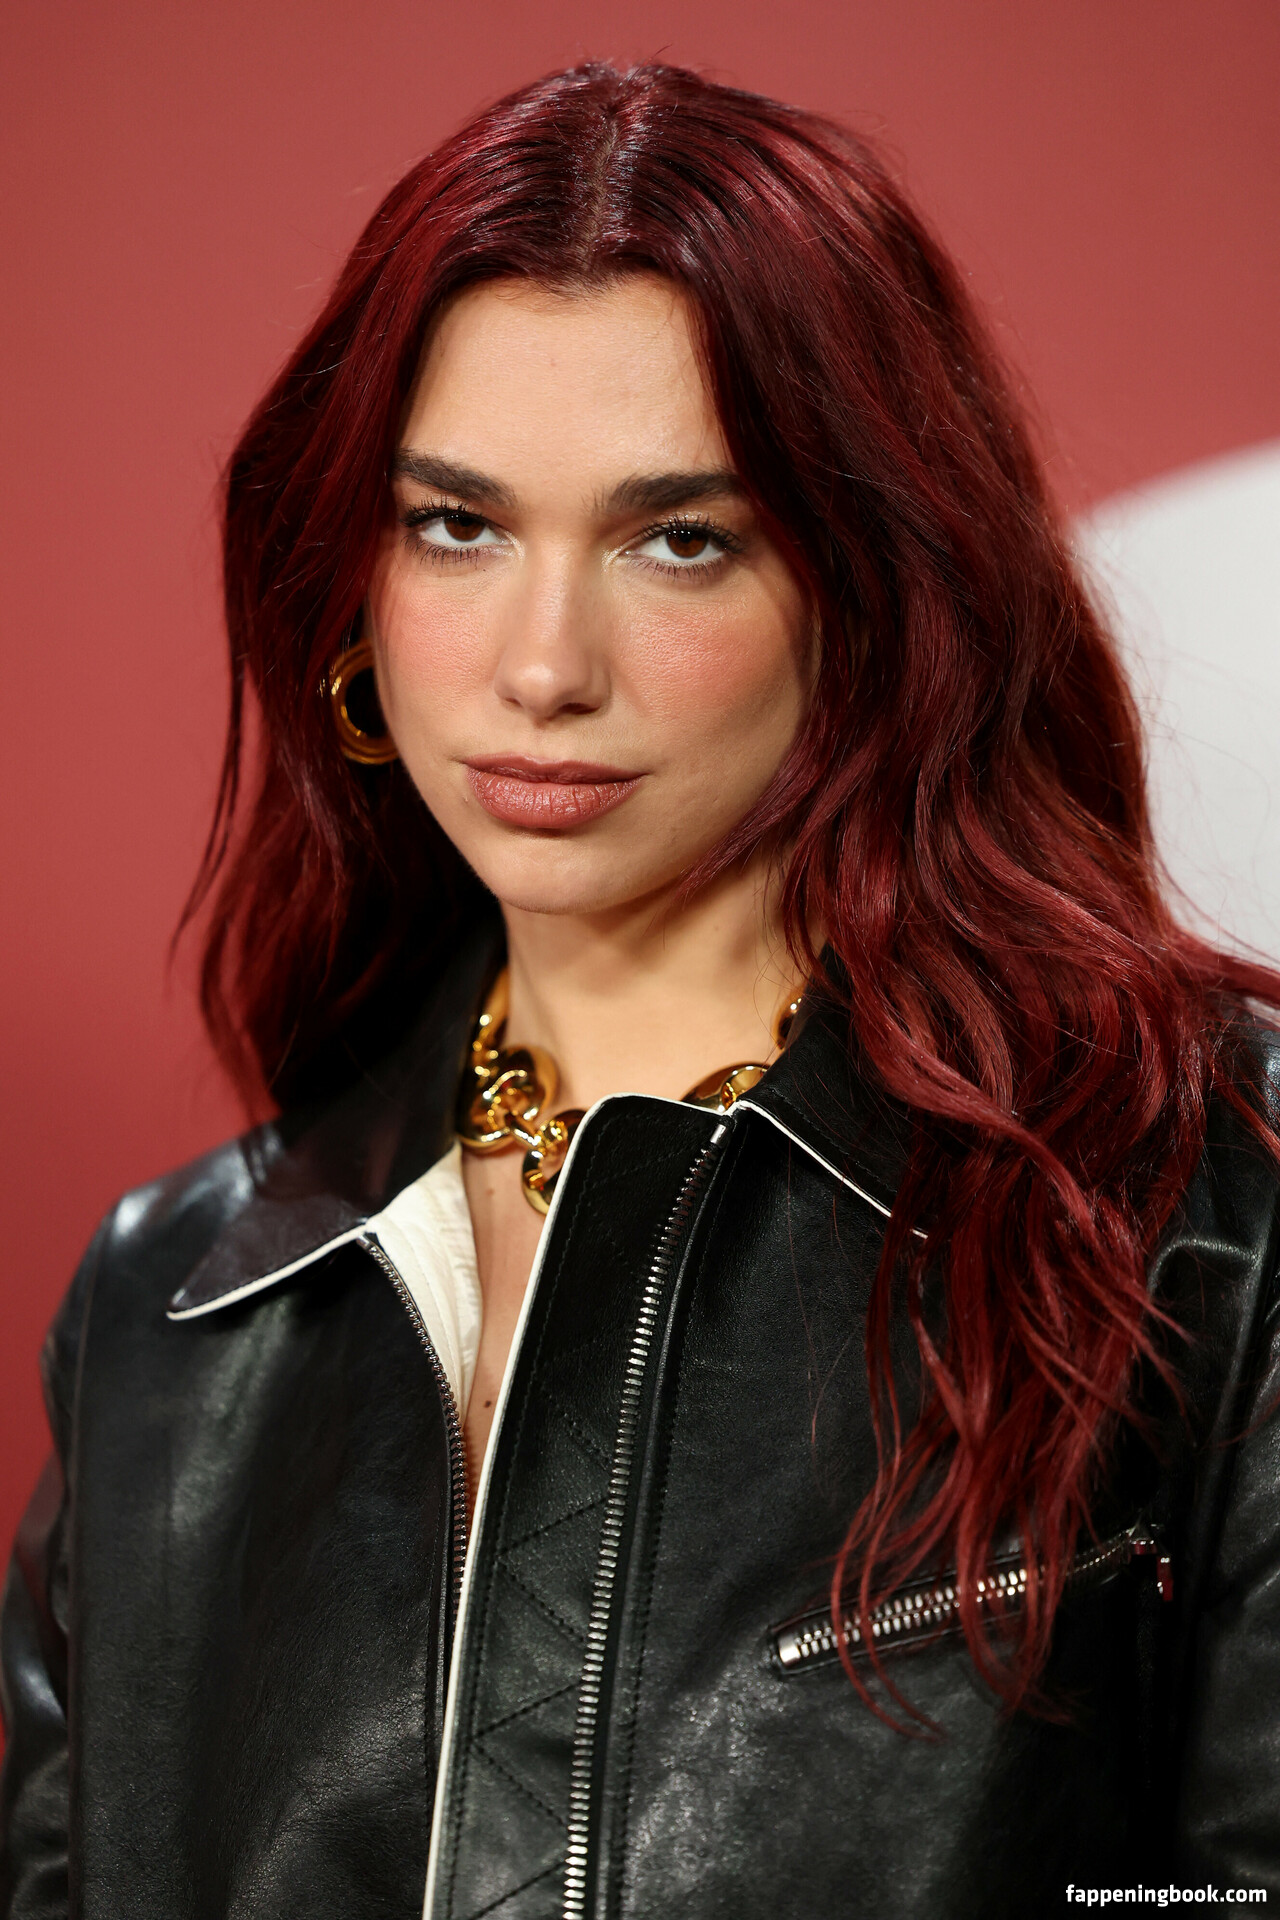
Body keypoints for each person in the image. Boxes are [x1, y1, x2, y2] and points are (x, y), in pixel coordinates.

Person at [3, 58, 1280, 1920]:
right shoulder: (167, 1316)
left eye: (679, 538)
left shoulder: (1212, 1208)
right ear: (352, 586)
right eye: (457, 525)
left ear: (874, 595)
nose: (543, 668)